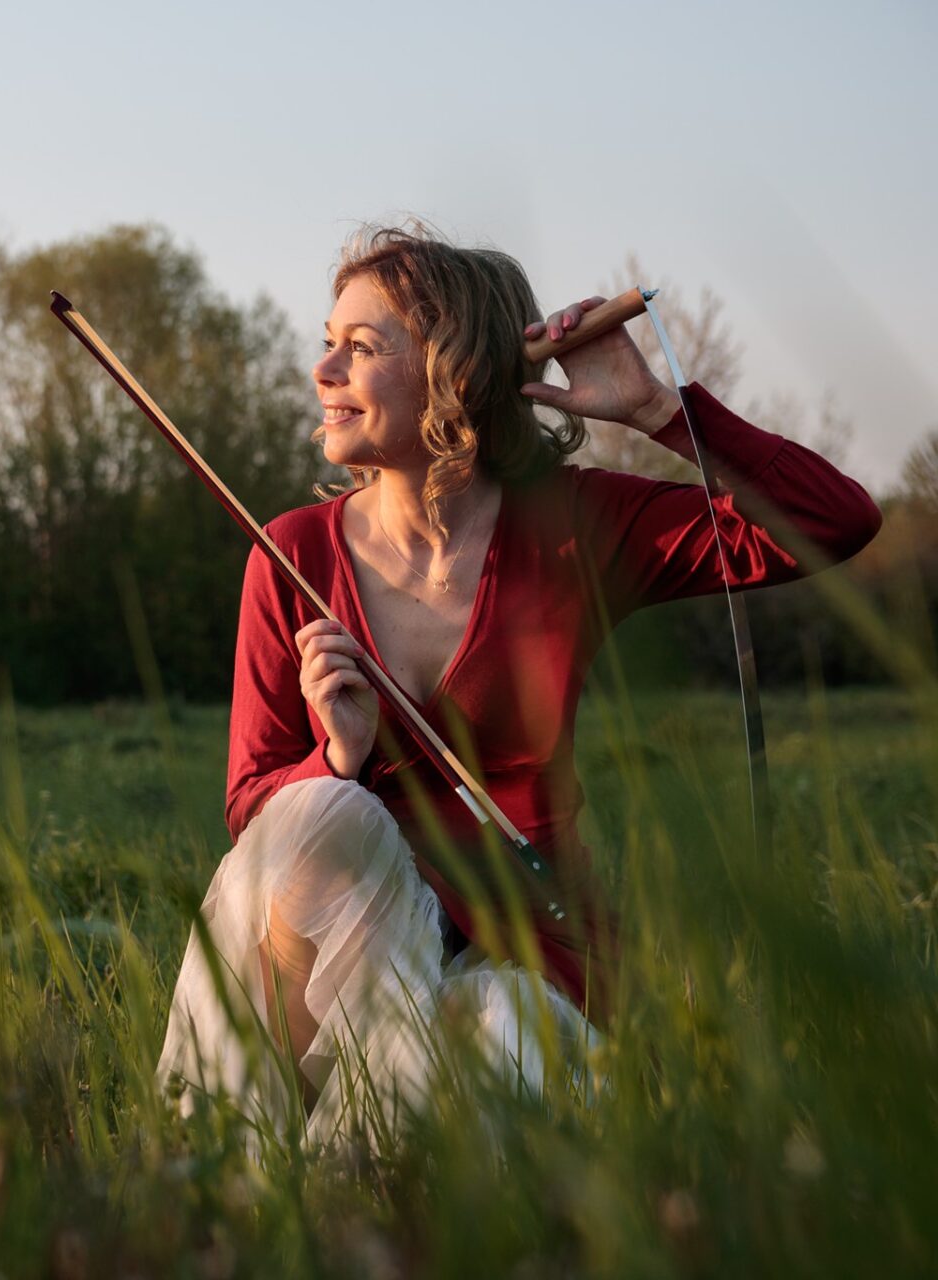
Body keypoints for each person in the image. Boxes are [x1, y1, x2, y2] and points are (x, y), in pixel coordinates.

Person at [155, 225, 883, 1149]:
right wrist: (337, 757)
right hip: (356, 951)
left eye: (362, 347)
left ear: (454, 375)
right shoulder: (289, 552)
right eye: (328, 339)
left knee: (488, 1041)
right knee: (315, 818)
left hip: (527, 949)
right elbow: (254, 806)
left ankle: (374, 1199)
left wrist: (660, 411)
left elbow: (832, 520)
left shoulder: (575, 523)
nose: (322, 369)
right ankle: (263, 1183)